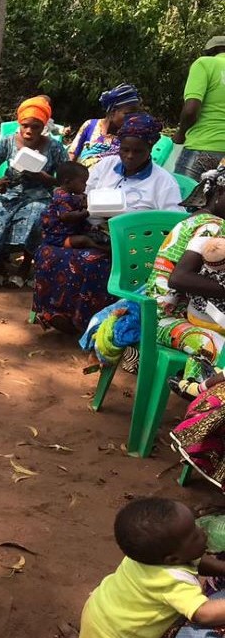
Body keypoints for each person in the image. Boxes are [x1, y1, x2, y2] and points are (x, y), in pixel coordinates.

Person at [77, 497, 225, 638]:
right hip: (114, 635)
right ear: (172, 559)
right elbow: (203, 613)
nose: (202, 531)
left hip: (105, 606)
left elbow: (196, 562)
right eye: (194, 535)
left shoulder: (154, 556)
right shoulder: (170, 581)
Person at [0, 95, 67, 287]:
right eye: (25, 125)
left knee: (37, 215)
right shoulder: (7, 142)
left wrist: (44, 177)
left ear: (44, 126)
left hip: (39, 195)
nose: (29, 131)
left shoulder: (54, 147)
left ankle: (24, 268)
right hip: (9, 192)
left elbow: (66, 178)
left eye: (35, 127)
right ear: (19, 124)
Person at [142, 166, 225, 386]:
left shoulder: (198, 217)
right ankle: (199, 399)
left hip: (168, 312)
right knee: (222, 350)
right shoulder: (213, 227)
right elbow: (179, 278)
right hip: (163, 320)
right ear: (218, 193)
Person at [32, 162, 113, 333]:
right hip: (59, 237)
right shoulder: (62, 196)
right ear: (68, 182)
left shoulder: (70, 193)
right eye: (83, 183)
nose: (85, 187)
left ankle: (68, 315)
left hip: (68, 233)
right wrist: (88, 212)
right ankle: (54, 313)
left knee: (91, 247)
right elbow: (66, 216)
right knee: (84, 241)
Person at [86, 113, 184, 213]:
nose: (130, 156)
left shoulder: (163, 181)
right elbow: (86, 194)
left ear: (150, 149)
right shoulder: (106, 165)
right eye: (125, 150)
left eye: (138, 151)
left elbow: (175, 217)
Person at [173, 37, 225, 180]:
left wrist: (181, 133)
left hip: (203, 147)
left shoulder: (205, 63)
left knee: (185, 198)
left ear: (210, 51)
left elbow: (191, 109)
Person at [68, 83, 142, 169]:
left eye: (135, 115)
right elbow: (71, 156)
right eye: (128, 114)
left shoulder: (131, 136)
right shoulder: (90, 125)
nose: (132, 118)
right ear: (113, 111)